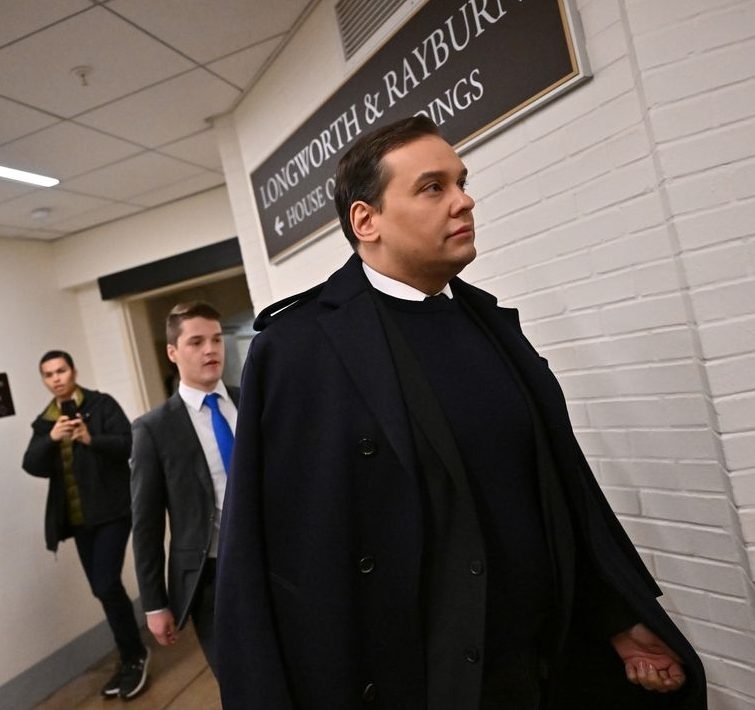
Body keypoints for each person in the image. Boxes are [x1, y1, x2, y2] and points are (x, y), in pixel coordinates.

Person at [214, 116, 706, 710]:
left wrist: (618, 617)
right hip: (408, 683)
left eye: (461, 182)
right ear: (365, 221)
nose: (464, 200)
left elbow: (559, 493)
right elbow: (259, 550)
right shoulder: (296, 349)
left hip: (537, 668)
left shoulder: (493, 327)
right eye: (432, 187)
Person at [21, 351, 149, 701]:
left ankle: (135, 655)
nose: (56, 378)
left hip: (113, 511)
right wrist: (52, 438)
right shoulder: (46, 420)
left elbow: (130, 443)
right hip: (78, 521)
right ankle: (129, 655)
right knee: (102, 588)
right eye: (48, 374)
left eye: (61, 370)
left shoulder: (101, 404)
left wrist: (92, 439)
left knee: (106, 583)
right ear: (44, 380)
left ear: (73, 371)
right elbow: (30, 463)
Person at [131, 302, 239, 675]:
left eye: (216, 339)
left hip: (276, 562)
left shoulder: (253, 401)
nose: (211, 350)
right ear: (172, 352)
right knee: (240, 681)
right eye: (196, 342)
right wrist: (154, 603)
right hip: (211, 578)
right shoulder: (154, 429)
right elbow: (145, 524)